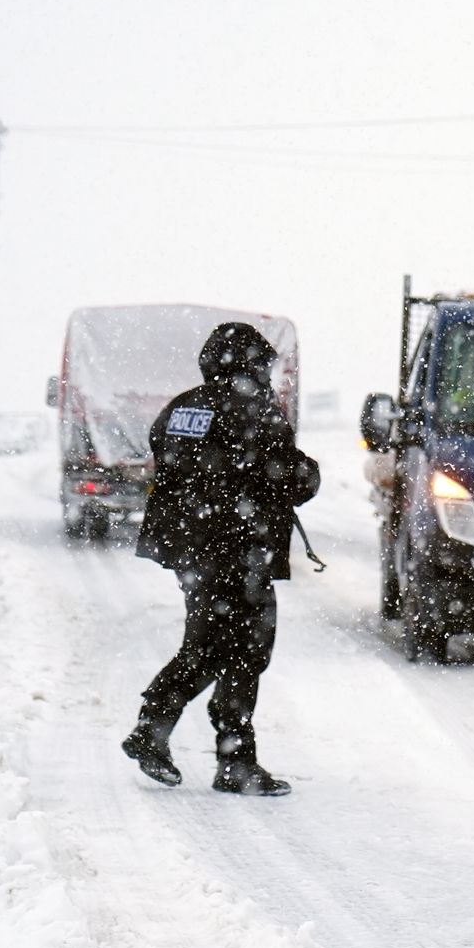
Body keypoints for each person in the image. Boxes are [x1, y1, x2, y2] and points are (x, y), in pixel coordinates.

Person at [122, 322, 320, 796]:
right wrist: (308, 472)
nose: (268, 375)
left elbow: (164, 454)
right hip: (238, 550)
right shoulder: (252, 408)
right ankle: (222, 756)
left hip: (193, 549)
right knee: (240, 649)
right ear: (250, 363)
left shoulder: (180, 407)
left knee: (214, 645)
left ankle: (178, 738)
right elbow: (290, 477)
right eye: (263, 366)